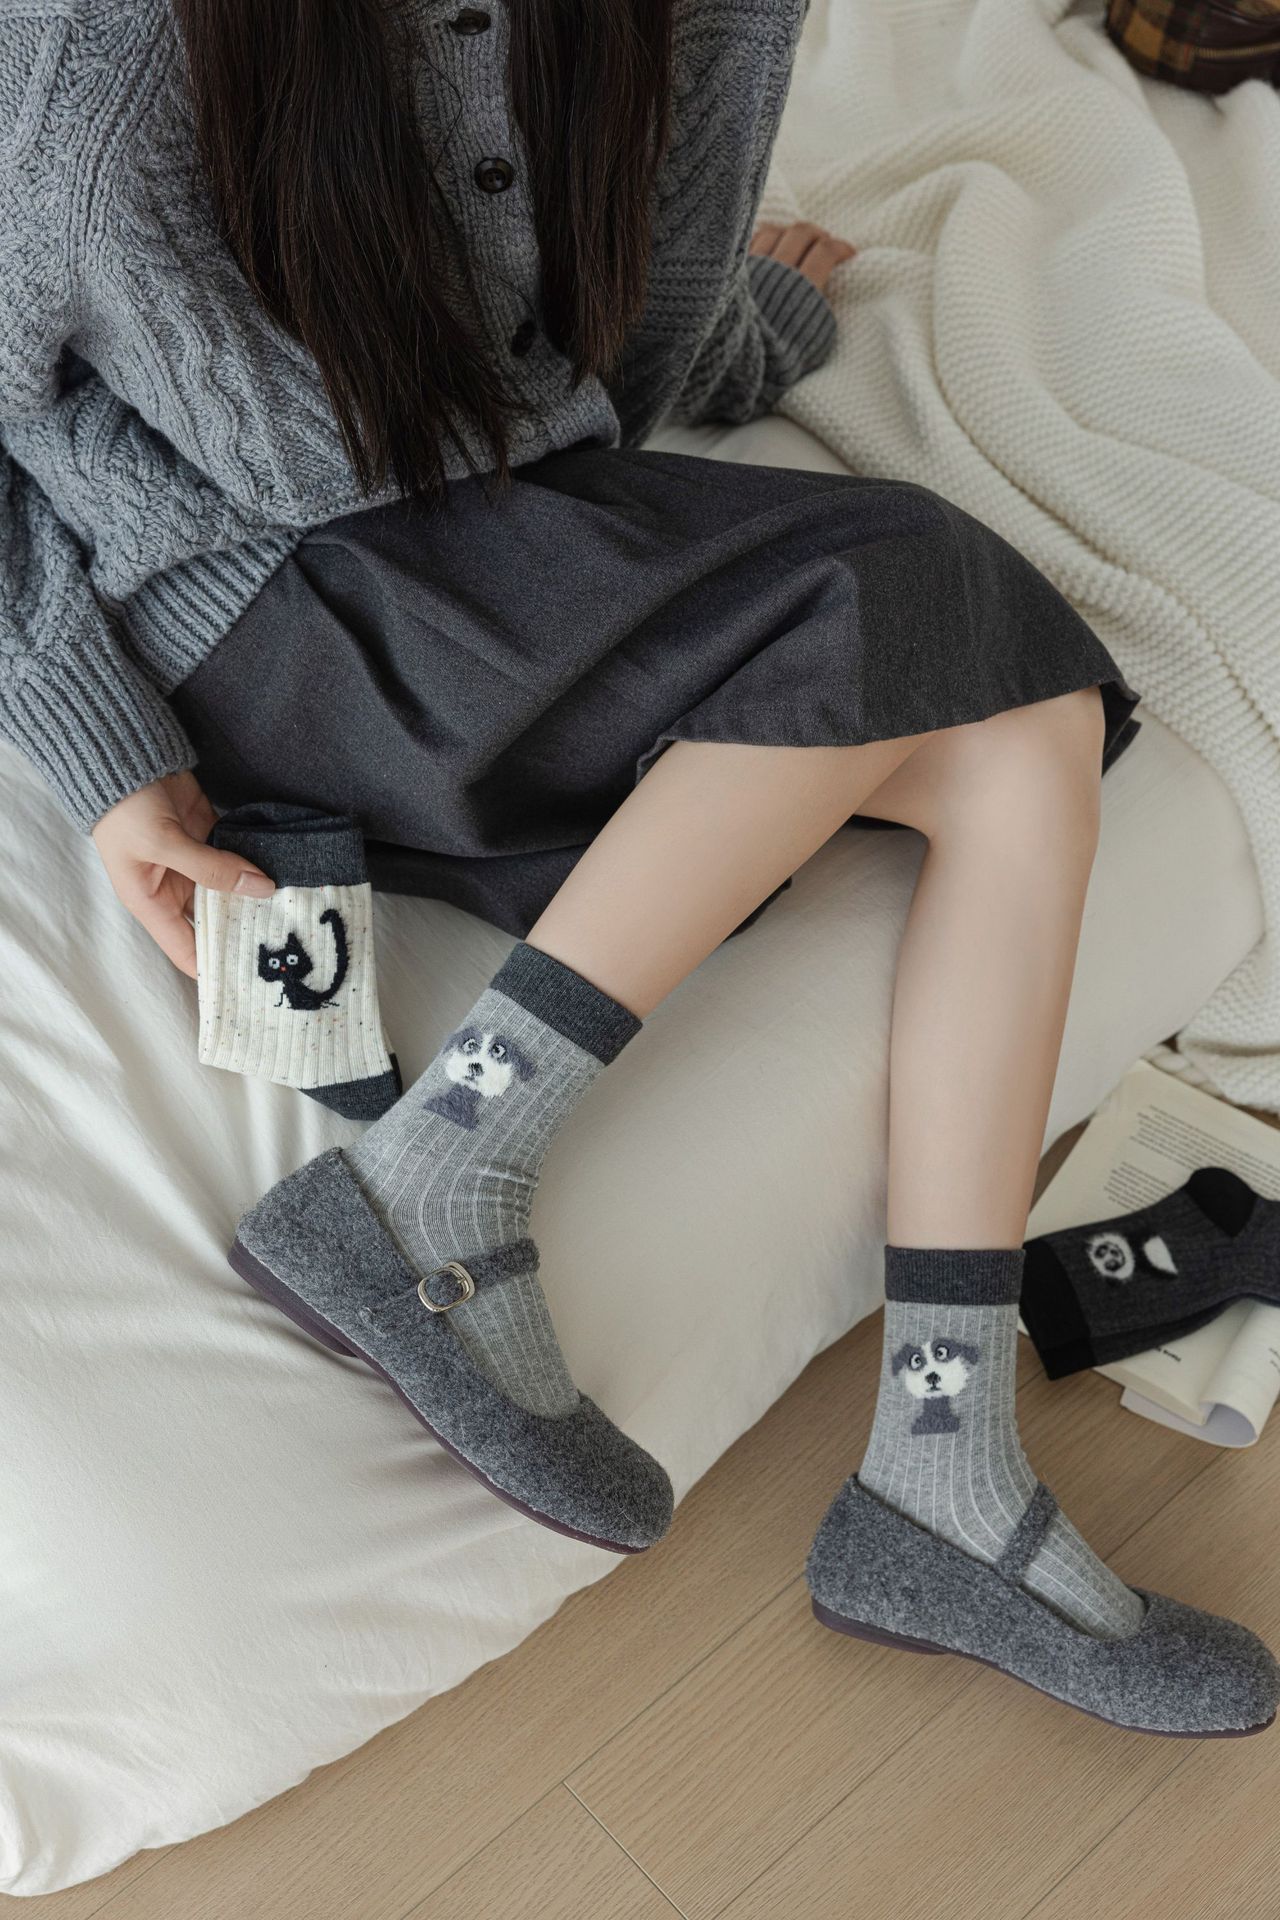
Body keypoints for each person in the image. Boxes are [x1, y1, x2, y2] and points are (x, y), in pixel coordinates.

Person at [3, 0, 1274, 1738]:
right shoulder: (93, 42)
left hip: (484, 572)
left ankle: (944, 1458)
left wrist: (744, 319)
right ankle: (437, 1176)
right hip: (266, 610)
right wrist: (95, 752)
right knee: (925, 592)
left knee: (1019, 728)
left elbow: (599, 332)